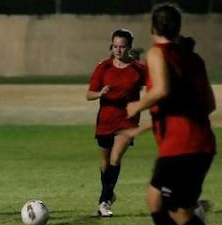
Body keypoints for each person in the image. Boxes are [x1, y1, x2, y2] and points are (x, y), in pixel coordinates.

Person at [126, 3, 216, 225]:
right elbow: (209, 105)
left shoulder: (157, 53)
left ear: (152, 28)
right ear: (178, 27)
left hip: (181, 146)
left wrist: (137, 106)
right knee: (155, 200)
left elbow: (162, 90)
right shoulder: (194, 60)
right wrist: (146, 127)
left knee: (177, 209)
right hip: (200, 144)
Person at [86, 29, 147, 217]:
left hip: (127, 121)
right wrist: (100, 93)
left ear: (129, 47)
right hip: (105, 119)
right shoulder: (103, 67)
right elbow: (89, 94)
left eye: (122, 47)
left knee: (116, 157)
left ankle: (103, 202)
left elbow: (155, 86)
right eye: (115, 46)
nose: (118, 50)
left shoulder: (139, 69)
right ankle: (109, 194)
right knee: (105, 164)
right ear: (111, 46)